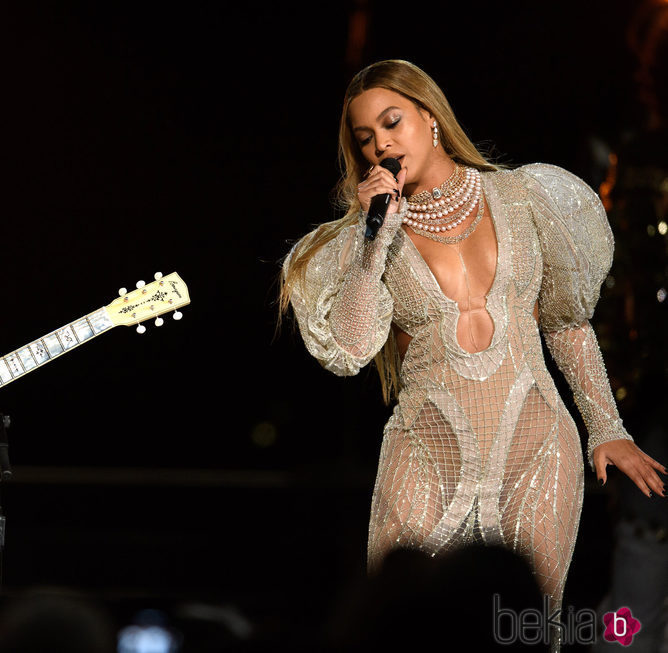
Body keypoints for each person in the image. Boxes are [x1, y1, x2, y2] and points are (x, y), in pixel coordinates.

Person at [279, 60, 666, 646]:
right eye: (365, 139)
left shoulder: (520, 197)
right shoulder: (365, 237)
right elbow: (354, 347)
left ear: (430, 118)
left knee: (523, 632)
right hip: (426, 449)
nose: (381, 143)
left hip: (534, 447)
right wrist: (372, 242)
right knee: (401, 627)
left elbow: (564, 322)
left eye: (392, 123)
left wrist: (605, 425)